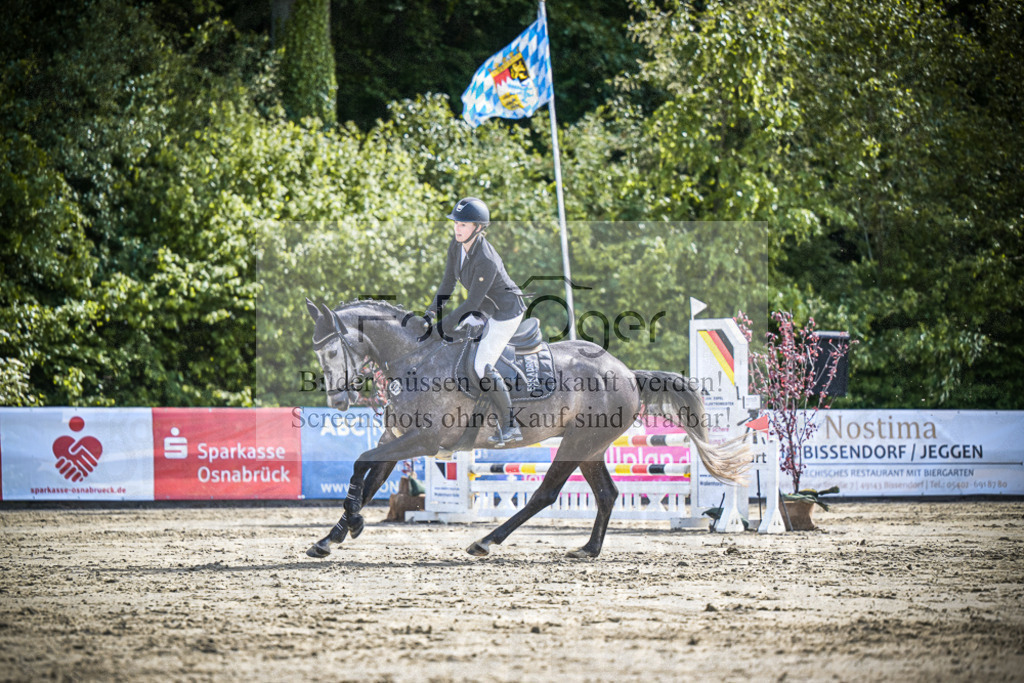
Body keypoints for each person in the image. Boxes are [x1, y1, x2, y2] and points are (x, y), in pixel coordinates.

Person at [424, 197, 526, 445]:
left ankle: (511, 424)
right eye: (456, 223)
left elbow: (470, 304)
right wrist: (430, 313)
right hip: (485, 306)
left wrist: (441, 327)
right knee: (453, 346)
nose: (457, 229)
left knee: (482, 366)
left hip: (505, 312)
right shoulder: (456, 245)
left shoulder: (486, 259)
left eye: (464, 225)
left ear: (478, 228)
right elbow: (447, 283)